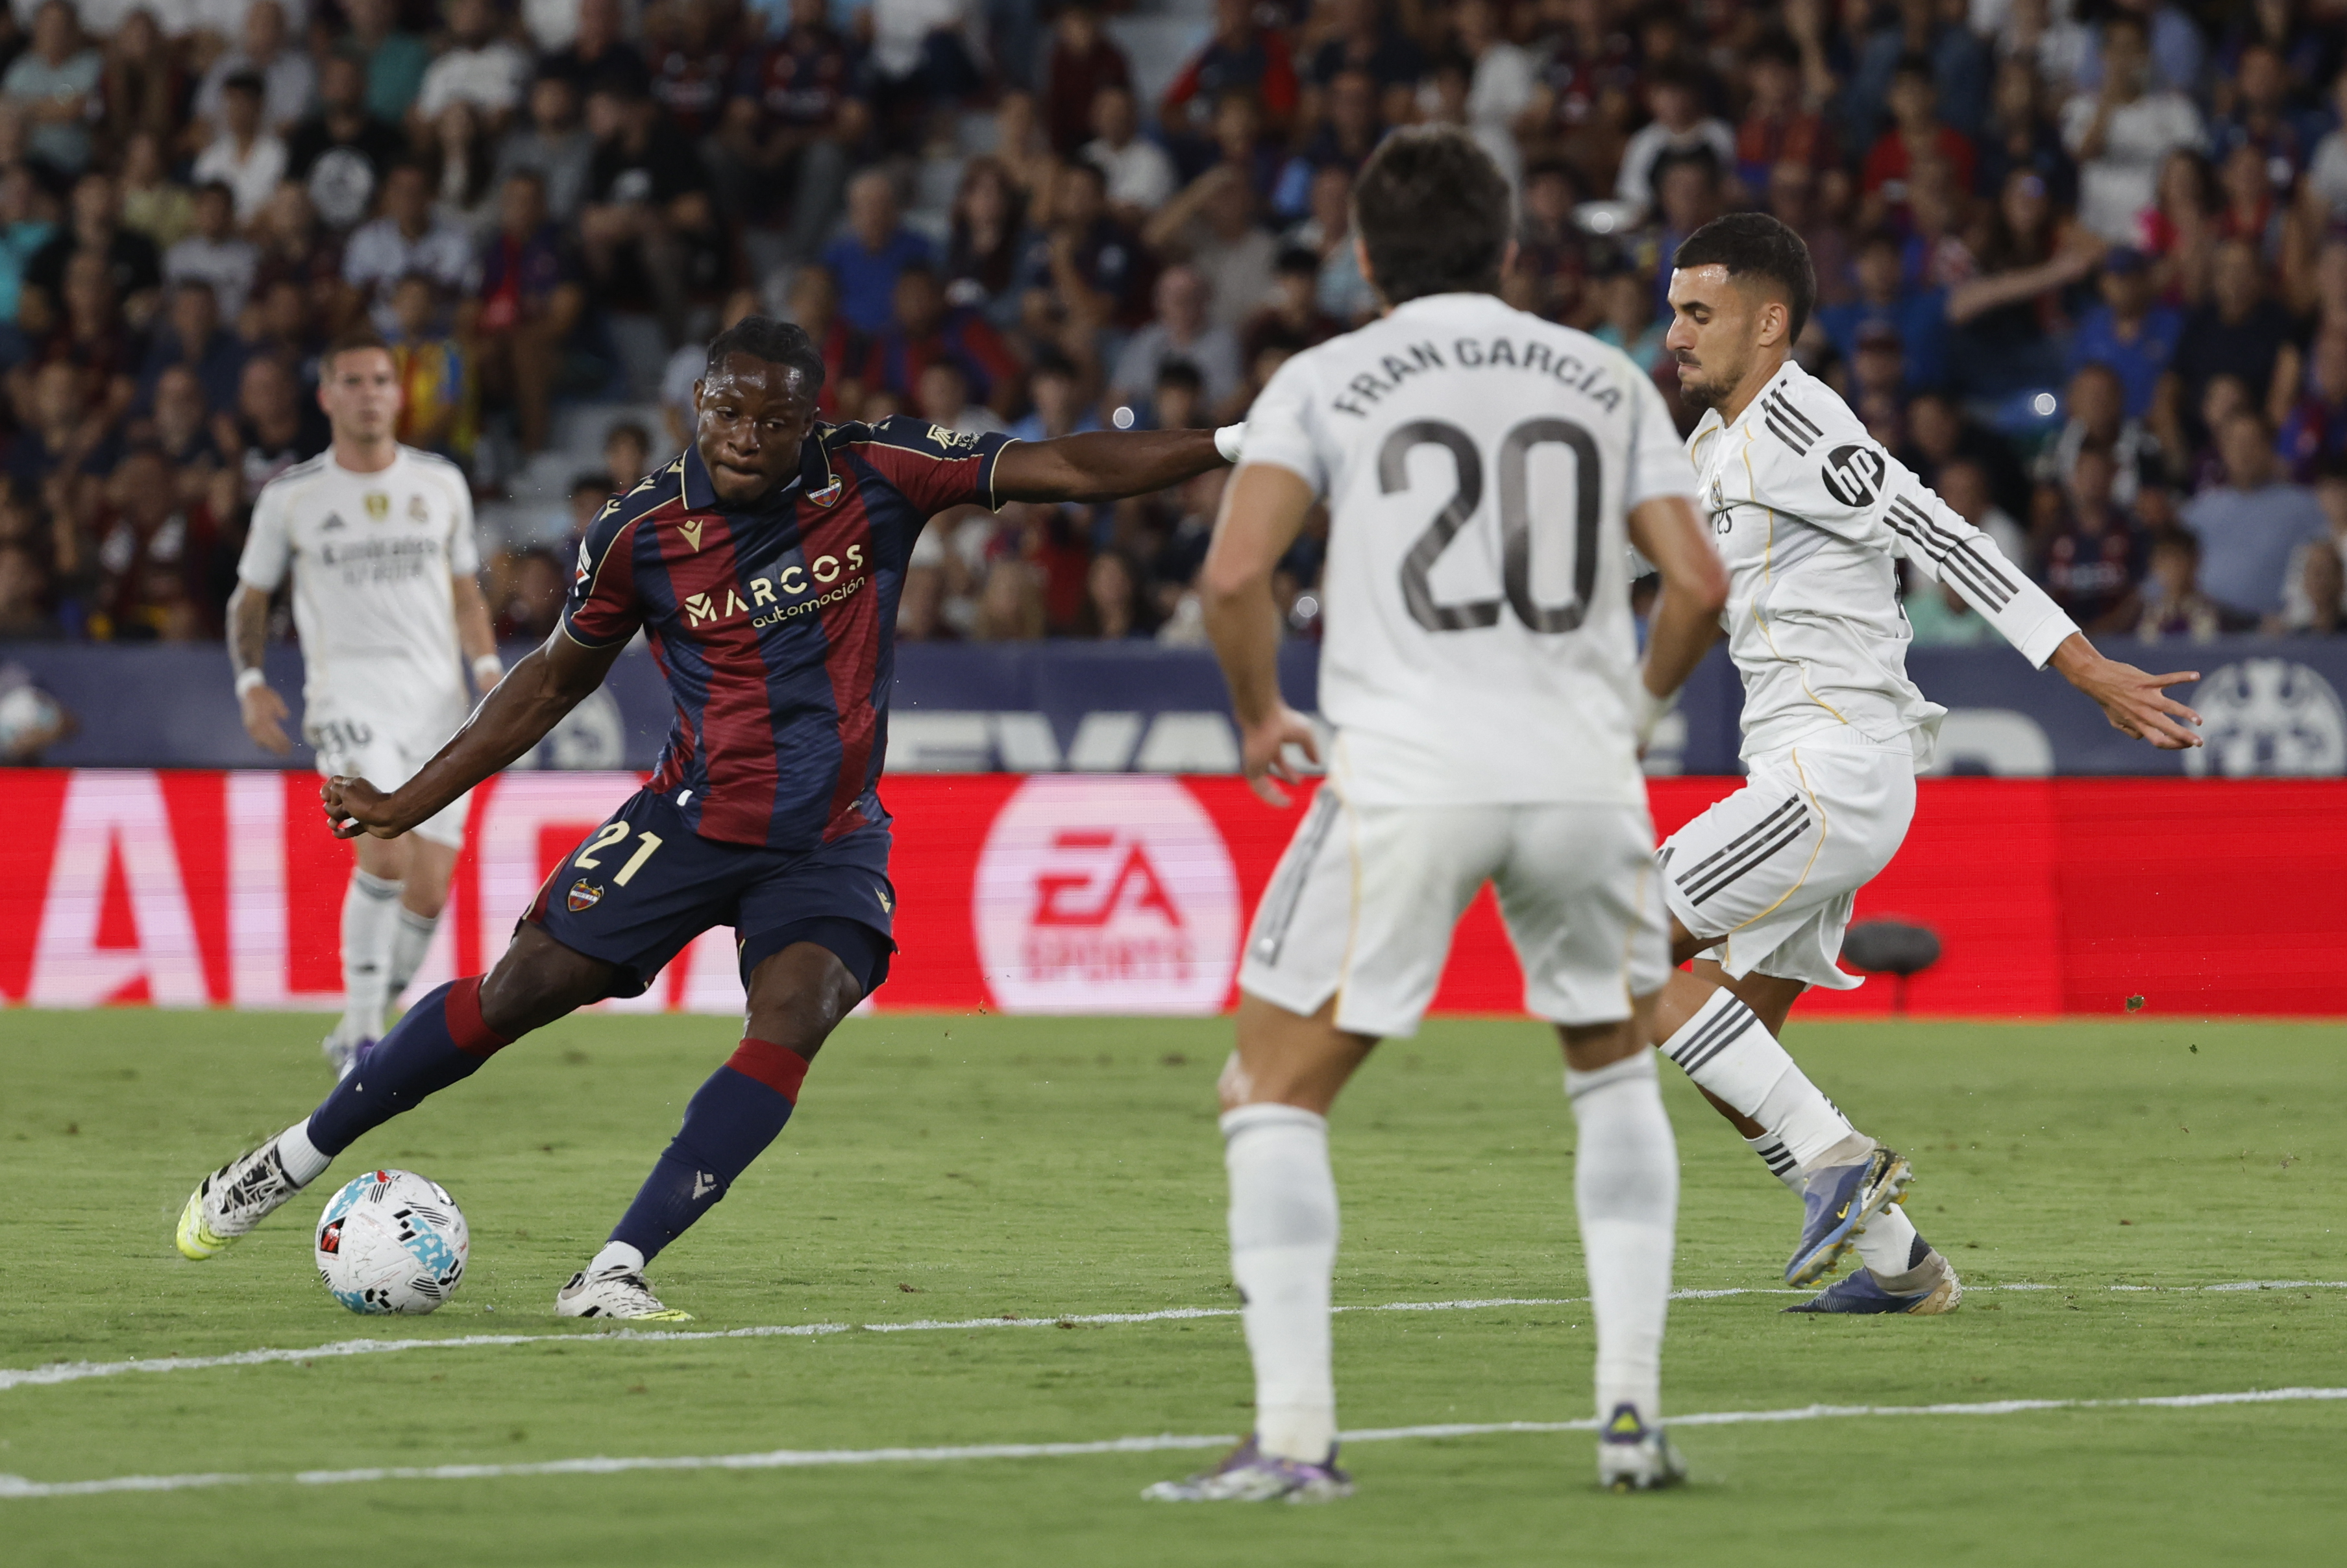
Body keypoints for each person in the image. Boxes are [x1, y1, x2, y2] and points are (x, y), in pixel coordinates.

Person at [175, 315, 1244, 1321]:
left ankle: (613, 1268)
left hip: (828, 837)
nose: (747, 439)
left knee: (799, 1011)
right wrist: (408, 800)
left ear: (809, 420)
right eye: (728, 414)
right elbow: (550, 685)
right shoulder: (640, 531)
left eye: (774, 421)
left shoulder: (875, 471)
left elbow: (1061, 466)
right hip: (687, 824)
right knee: (515, 995)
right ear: (699, 403)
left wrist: (1229, 441)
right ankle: (290, 1160)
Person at [1147, 125, 1726, 1504]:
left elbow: (1236, 574)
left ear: (1361, 256)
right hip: (1581, 776)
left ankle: (1293, 1439)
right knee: (1607, 1067)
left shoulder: (1328, 375)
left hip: (1405, 773)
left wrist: (1256, 715)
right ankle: (1630, 1417)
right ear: (1509, 249)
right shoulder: (1599, 373)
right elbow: (1697, 585)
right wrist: (1629, 713)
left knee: (1268, 1091)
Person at [1653, 211, 2200, 1314]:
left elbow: (1944, 535)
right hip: (1801, 776)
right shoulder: (1713, 447)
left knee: (1610, 941)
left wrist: (2083, 666)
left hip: (1833, 770)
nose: (1673, 334)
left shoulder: (1806, 426)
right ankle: (1900, 1263)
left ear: (1768, 323)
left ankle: (1840, 1161)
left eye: (1696, 313)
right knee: (1733, 1046)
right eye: (1672, 311)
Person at [223, 331, 502, 1076]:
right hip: (348, 697)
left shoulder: (441, 482)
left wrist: (485, 667)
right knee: (383, 842)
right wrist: (252, 685)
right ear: (326, 396)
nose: (370, 393)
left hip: (440, 704)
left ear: (397, 391)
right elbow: (249, 601)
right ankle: (357, 1031)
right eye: (353, 380)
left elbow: (463, 591)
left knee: (431, 883)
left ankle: (376, 1018)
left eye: (381, 379)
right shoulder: (293, 497)